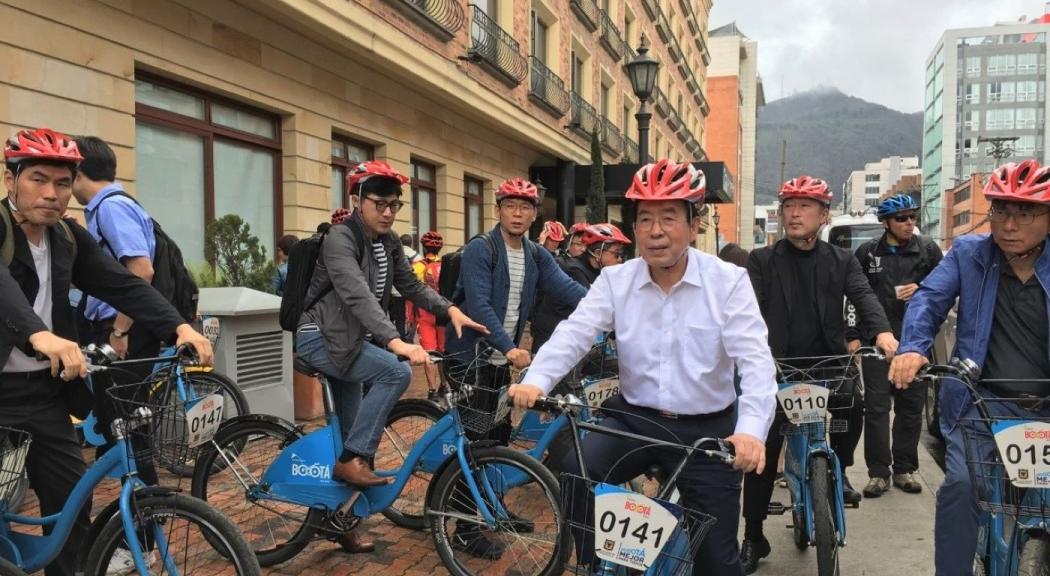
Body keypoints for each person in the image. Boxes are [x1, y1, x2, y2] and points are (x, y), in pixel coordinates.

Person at [511, 159, 778, 576]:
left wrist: (750, 431)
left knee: (718, 560)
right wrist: (536, 380)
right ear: (634, 228)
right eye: (645, 218)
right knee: (575, 470)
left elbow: (756, 361)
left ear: (694, 225)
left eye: (669, 218)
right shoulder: (616, 280)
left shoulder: (728, 281)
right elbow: (574, 333)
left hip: (708, 429)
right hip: (633, 420)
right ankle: (598, 563)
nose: (656, 230)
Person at [0, 127, 213, 576]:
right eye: (38, 179)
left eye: (62, 183)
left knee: (71, 503)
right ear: (10, 180)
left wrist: (177, 326)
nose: (52, 193)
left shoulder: (67, 238)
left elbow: (124, 284)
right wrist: (39, 335)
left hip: (41, 393)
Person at [889, 160, 1050, 575]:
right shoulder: (968, 254)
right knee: (961, 488)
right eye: (1000, 210)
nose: (1009, 224)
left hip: (1045, 410)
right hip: (983, 408)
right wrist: (913, 348)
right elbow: (927, 301)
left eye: (1025, 212)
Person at [295, 159, 485, 491]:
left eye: (394, 205)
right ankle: (349, 463)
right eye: (379, 203)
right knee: (394, 372)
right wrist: (395, 341)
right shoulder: (340, 238)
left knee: (351, 439)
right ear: (357, 201)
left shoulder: (389, 241)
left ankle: (343, 519)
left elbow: (411, 286)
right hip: (320, 337)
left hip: (350, 342)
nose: (387, 212)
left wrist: (449, 308)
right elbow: (356, 293)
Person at [741, 175, 898, 574]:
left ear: (823, 214)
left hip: (828, 363)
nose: (794, 213)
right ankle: (754, 534)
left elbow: (864, 296)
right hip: (777, 366)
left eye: (805, 206)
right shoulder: (761, 260)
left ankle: (840, 471)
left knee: (854, 403)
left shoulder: (842, 260)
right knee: (762, 445)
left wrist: (881, 332)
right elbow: (747, 312)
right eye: (788, 206)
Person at [443, 177, 586, 559]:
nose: (518, 213)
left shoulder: (537, 255)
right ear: (499, 210)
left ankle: (492, 506)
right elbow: (478, 305)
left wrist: (612, 309)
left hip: (498, 361)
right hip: (469, 359)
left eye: (525, 207)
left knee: (499, 437)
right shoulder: (481, 249)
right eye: (510, 206)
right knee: (475, 446)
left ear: (535, 214)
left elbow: (569, 291)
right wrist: (509, 348)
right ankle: (463, 528)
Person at [847, 194, 942, 498]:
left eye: (912, 216)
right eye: (901, 219)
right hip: (877, 343)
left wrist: (923, 287)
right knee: (876, 409)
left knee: (911, 408)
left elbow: (945, 287)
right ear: (885, 223)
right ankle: (878, 473)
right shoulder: (867, 253)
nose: (909, 223)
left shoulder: (927, 250)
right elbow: (852, 295)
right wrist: (852, 335)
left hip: (914, 343)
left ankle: (905, 468)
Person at [530, 222, 631, 354]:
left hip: (571, 344)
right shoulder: (574, 270)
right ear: (597, 253)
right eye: (616, 254)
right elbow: (594, 307)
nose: (619, 260)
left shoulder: (597, 271)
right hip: (553, 347)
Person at [412, 230, 446, 400]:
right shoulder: (446, 264)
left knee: (430, 352)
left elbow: (411, 293)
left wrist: (410, 318)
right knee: (444, 351)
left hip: (425, 314)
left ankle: (432, 391)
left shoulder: (418, 266)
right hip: (444, 313)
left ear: (423, 247)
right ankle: (445, 386)